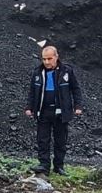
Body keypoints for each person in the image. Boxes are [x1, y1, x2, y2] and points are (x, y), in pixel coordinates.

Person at [24, 46, 84, 176]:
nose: (46, 62)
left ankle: (59, 166)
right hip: (43, 111)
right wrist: (29, 107)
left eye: (49, 59)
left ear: (56, 57)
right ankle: (44, 165)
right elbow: (32, 92)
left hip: (61, 112)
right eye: (44, 59)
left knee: (60, 140)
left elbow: (75, 89)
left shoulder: (66, 71)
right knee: (42, 139)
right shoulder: (37, 72)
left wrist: (78, 106)